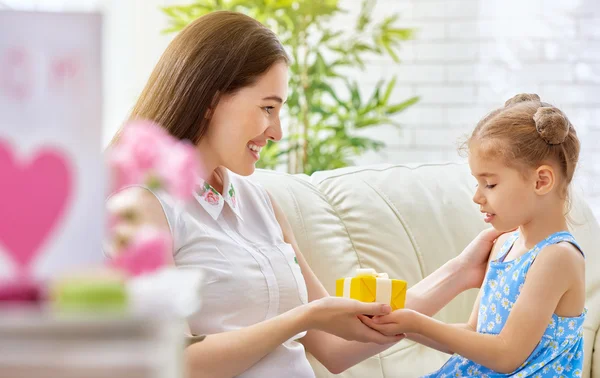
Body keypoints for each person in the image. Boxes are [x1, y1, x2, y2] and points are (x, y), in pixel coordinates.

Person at [107, 10, 506, 378]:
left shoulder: (258, 203)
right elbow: (172, 363)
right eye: (267, 108)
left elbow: (337, 347)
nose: (277, 131)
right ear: (212, 99)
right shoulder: (144, 208)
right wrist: (302, 318)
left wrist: (459, 273)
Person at [362, 93, 586, 377]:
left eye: (490, 184)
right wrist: (402, 325)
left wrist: (417, 323)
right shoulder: (504, 244)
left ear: (541, 181)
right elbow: (473, 333)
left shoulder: (557, 257)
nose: (477, 197)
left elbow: (506, 355)